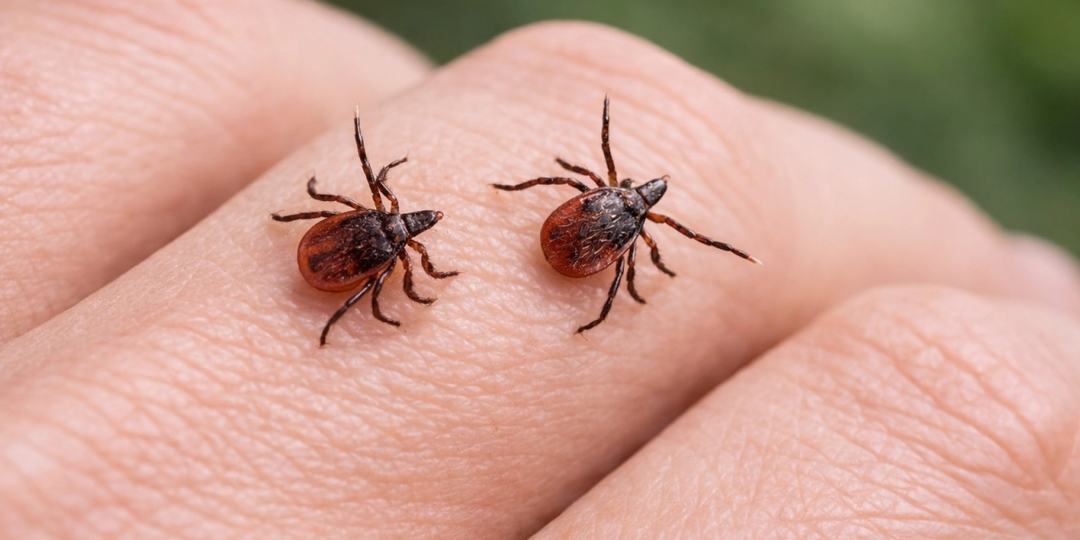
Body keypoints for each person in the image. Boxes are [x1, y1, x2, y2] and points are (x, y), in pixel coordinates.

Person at [1, 1, 1078, 537]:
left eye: (636, 209)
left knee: (364, 267)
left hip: (425, 256)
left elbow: (366, 233)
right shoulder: (419, 239)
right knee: (360, 272)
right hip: (412, 263)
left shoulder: (475, 222)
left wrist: (567, 261)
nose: (635, 207)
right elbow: (383, 255)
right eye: (635, 204)